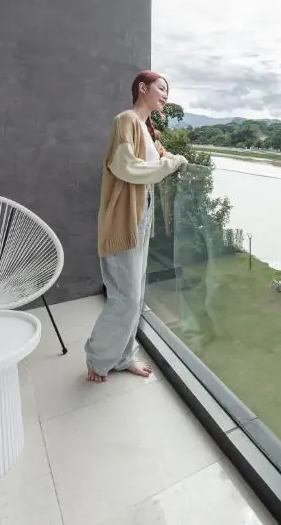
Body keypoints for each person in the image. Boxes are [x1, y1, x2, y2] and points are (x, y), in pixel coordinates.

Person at [85, 71, 187, 383]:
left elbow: (159, 157)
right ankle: (97, 358)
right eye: (161, 88)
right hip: (123, 220)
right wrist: (171, 163)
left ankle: (124, 356)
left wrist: (171, 158)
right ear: (142, 88)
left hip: (141, 219)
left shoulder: (145, 127)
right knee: (125, 297)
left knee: (135, 295)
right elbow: (127, 167)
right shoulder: (125, 121)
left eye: (168, 90)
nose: (166, 95)